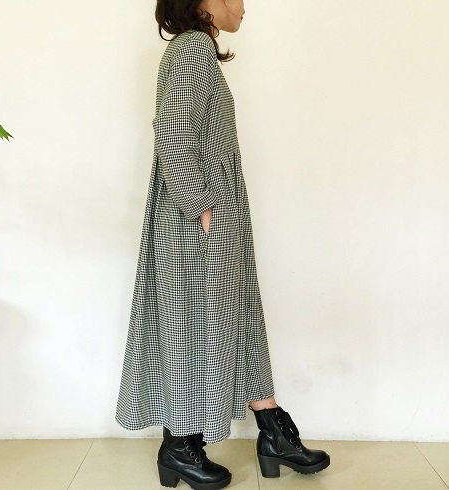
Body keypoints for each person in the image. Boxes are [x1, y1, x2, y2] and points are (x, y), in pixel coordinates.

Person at [115, 1, 330, 488]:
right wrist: (201, 206)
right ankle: (179, 446)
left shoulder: (196, 51)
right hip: (197, 219)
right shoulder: (191, 49)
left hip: (211, 213)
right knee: (195, 327)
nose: (243, 5)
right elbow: (173, 135)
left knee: (237, 317)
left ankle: (272, 429)